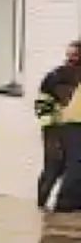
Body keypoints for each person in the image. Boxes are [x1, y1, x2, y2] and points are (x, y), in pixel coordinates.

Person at [35, 41, 81, 208]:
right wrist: (49, 129)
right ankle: (42, 207)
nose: (71, 58)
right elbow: (42, 104)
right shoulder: (56, 76)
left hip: (73, 130)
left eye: (75, 55)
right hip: (56, 129)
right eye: (69, 55)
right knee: (52, 168)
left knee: (73, 169)